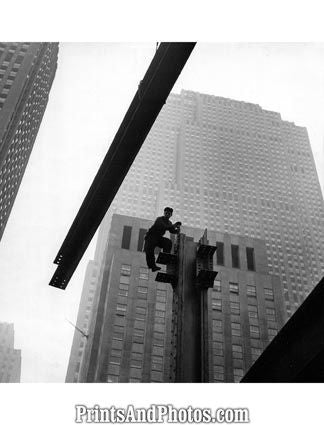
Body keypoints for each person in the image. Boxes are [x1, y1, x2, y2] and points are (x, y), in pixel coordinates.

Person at [144, 207, 181, 272]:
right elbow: (163, 226)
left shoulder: (169, 223)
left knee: (168, 242)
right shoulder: (159, 219)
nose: (167, 214)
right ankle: (152, 266)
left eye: (169, 213)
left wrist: (177, 230)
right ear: (164, 213)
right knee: (149, 251)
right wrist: (173, 225)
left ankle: (165, 256)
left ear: (171, 215)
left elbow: (172, 231)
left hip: (158, 238)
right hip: (151, 237)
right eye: (166, 213)